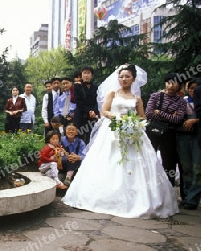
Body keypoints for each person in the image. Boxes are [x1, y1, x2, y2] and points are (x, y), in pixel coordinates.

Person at [63, 64, 178, 218]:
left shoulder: (137, 98)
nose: (124, 79)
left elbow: (142, 116)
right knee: (109, 160)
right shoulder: (112, 94)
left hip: (133, 133)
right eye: (121, 76)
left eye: (127, 77)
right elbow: (104, 111)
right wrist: (117, 118)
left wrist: (133, 123)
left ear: (133, 79)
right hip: (112, 130)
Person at [145, 73, 186, 187]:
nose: (170, 85)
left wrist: (160, 112)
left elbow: (178, 119)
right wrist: (169, 115)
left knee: (169, 160)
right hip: (153, 130)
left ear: (180, 85)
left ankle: (168, 187)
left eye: (174, 83)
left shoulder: (181, 101)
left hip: (169, 133)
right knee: (149, 156)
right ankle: (149, 184)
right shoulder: (156, 96)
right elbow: (149, 113)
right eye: (168, 82)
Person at [176, 78, 201, 210]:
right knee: (186, 167)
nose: (192, 91)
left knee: (197, 168)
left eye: (195, 88)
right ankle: (186, 196)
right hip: (183, 136)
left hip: (197, 137)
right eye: (190, 88)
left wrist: (195, 121)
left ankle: (193, 198)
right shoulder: (183, 101)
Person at [73, 66, 99, 144]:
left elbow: (97, 101)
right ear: (82, 75)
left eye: (88, 73)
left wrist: (94, 111)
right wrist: (89, 111)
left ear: (92, 75)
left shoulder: (96, 87)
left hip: (92, 117)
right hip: (81, 115)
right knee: (79, 137)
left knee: (91, 137)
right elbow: (78, 101)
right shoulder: (77, 86)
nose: (86, 75)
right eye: (84, 73)